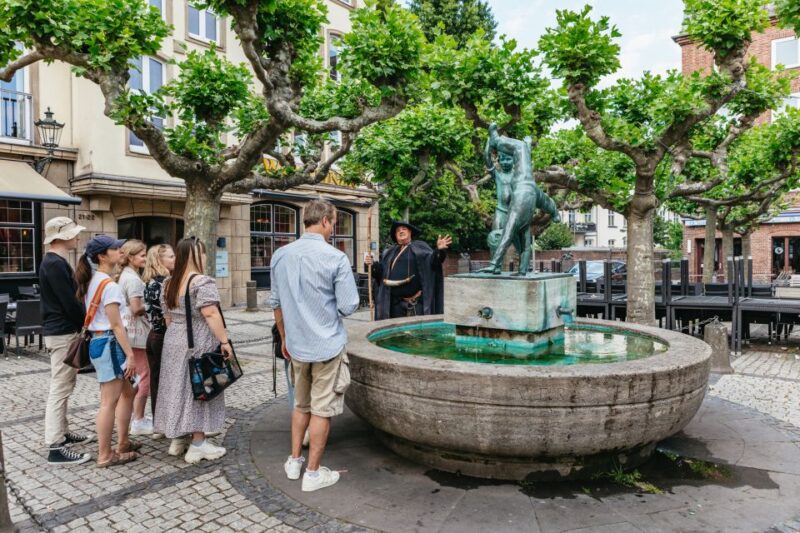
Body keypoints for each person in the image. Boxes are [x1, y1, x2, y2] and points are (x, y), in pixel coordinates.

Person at [270, 199, 360, 492]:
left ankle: (294, 460)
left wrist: (284, 338)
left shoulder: (280, 255)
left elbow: (276, 304)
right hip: (327, 346)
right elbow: (348, 305)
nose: (333, 228)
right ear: (324, 221)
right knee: (322, 409)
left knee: (301, 404)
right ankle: (313, 472)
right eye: (333, 222)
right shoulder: (335, 258)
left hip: (296, 345)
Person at [154, 237, 231, 463]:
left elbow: (167, 316)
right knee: (200, 389)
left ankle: (179, 438)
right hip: (197, 340)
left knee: (177, 388)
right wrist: (224, 341)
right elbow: (210, 314)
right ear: (197, 255)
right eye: (203, 253)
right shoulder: (202, 282)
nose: (206, 257)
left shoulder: (168, 282)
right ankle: (198, 443)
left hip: (174, 339)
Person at [75, 235, 139, 468]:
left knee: (130, 390)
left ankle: (122, 443)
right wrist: (130, 354)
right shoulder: (109, 285)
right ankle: (105, 454)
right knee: (108, 402)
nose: (121, 251)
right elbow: (115, 324)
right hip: (110, 343)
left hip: (102, 342)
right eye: (115, 249)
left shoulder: (95, 280)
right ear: (103, 256)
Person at [40, 216, 92, 465]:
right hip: (61, 332)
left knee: (65, 385)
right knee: (60, 388)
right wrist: (85, 322)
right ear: (61, 237)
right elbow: (69, 302)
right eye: (74, 233)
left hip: (60, 330)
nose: (78, 236)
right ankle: (55, 445)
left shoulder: (55, 261)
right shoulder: (54, 264)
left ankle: (62, 432)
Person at [365, 221, 452, 320]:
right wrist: (371, 264)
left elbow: (434, 261)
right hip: (394, 305)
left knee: (416, 333)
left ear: (410, 232)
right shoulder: (390, 252)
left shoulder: (420, 247)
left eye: (404, 229)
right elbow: (380, 273)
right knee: (396, 332)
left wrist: (439, 250)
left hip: (415, 304)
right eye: (398, 230)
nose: (401, 231)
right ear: (395, 235)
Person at [117, 240, 152, 435]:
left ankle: (137, 417)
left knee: (137, 376)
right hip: (137, 334)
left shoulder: (125, 276)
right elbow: (137, 308)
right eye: (142, 255)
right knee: (144, 376)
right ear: (131, 257)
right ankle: (138, 419)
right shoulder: (133, 279)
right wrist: (152, 305)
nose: (145, 258)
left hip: (130, 332)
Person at [142, 244, 175, 439]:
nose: (174, 259)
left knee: (156, 381)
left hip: (153, 335)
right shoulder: (165, 283)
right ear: (159, 260)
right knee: (169, 382)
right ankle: (170, 424)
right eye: (170, 257)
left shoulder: (149, 282)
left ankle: (159, 424)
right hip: (164, 336)